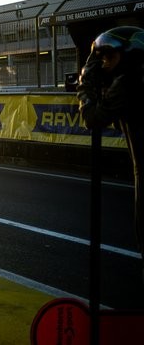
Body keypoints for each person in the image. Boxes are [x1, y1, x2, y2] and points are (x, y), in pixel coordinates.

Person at [77, 26, 144, 262]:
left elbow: (92, 118)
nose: (104, 62)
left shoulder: (128, 83)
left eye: (109, 56)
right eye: (102, 57)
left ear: (130, 57)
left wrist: (85, 81)